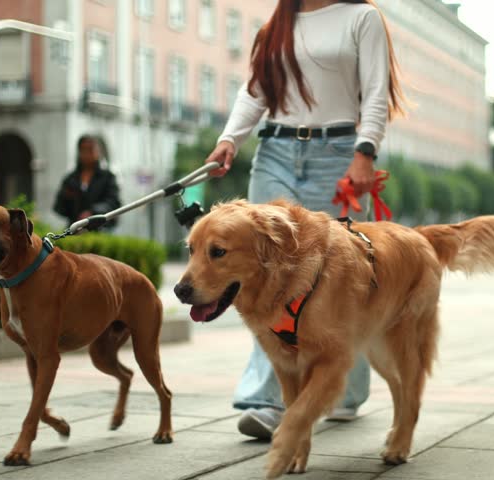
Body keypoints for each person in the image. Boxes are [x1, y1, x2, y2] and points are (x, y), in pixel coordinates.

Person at [204, 0, 405, 440]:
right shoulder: (278, 25)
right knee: (262, 276)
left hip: (337, 154)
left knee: (342, 277)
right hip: (274, 151)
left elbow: (375, 90)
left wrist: (365, 153)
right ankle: (266, 397)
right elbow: (255, 91)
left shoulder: (361, 18)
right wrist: (228, 140)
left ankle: (345, 391)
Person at [54, 134, 121, 230]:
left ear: (98, 151)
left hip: (101, 229)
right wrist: (66, 197)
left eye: (90, 149)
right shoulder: (71, 179)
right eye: (83, 149)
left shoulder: (108, 177)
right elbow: (58, 208)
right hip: (75, 230)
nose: (87, 153)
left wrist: (92, 212)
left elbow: (113, 203)